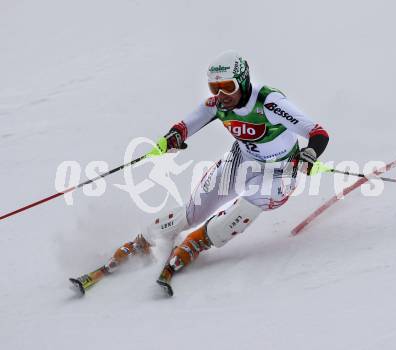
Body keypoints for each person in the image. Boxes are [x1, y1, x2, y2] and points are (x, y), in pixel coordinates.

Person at [69, 50, 329, 296]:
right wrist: (172, 138)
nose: (221, 94)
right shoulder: (217, 104)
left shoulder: (269, 102)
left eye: (228, 86)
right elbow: (186, 125)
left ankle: (198, 241)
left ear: (243, 81)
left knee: (249, 204)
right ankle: (144, 241)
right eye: (214, 88)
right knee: (193, 212)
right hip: (242, 161)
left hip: (281, 170)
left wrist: (309, 154)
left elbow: (318, 133)